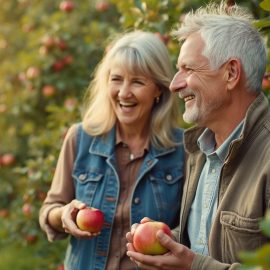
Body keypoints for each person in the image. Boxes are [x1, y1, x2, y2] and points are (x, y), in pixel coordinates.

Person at [126, 2, 270, 269]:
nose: (174, 84)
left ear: (231, 73)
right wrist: (167, 244)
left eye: (188, 69)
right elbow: (205, 243)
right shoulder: (200, 149)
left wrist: (194, 266)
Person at [39, 30, 185, 270]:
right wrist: (63, 214)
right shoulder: (80, 138)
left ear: (159, 89)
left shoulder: (182, 150)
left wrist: (164, 238)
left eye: (137, 81)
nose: (124, 92)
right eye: (116, 79)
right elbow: (50, 210)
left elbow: (192, 230)